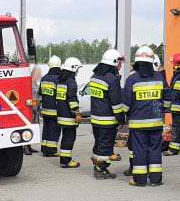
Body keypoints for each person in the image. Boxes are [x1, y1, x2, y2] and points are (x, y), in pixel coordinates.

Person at [122, 46, 166, 186]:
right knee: (155, 149)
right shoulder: (159, 77)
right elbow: (168, 98)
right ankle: (155, 179)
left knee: (139, 150)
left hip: (138, 123)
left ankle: (139, 180)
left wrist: (125, 114)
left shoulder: (132, 79)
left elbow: (126, 103)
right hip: (156, 122)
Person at [88, 49, 126, 179]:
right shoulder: (112, 79)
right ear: (114, 62)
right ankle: (101, 170)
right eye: (119, 62)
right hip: (108, 120)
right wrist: (121, 118)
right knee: (106, 145)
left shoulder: (94, 77)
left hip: (95, 118)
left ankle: (97, 164)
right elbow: (115, 102)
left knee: (99, 143)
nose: (120, 65)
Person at [56, 57, 83, 169]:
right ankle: (66, 161)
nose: (77, 71)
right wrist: (77, 113)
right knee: (69, 138)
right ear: (74, 68)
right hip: (69, 116)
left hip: (61, 114)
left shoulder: (60, 80)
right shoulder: (71, 81)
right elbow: (72, 100)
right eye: (77, 69)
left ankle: (64, 159)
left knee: (65, 137)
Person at [39, 56, 62, 156]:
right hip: (55, 110)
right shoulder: (58, 79)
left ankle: (44, 148)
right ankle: (51, 150)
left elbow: (40, 92)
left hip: (45, 110)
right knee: (54, 130)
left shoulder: (44, 78)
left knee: (46, 129)